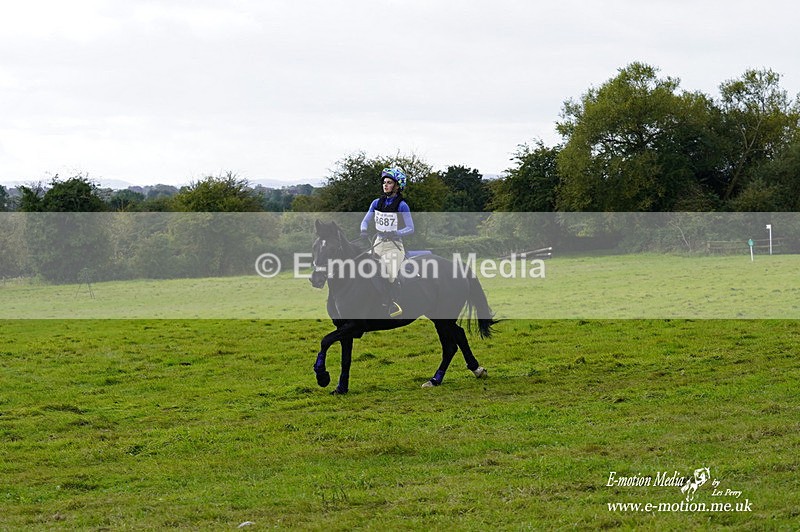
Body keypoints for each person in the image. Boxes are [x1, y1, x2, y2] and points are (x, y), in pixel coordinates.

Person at [360, 167, 415, 317]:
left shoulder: (402, 205)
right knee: (365, 269)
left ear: (397, 186)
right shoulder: (376, 203)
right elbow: (365, 220)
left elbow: (411, 228)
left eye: (389, 182)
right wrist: (364, 230)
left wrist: (395, 232)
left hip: (394, 246)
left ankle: (392, 303)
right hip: (377, 243)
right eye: (384, 182)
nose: (385, 185)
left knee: (390, 275)